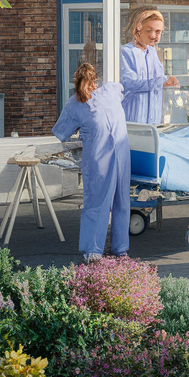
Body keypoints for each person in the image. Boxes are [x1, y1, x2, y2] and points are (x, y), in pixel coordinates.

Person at [52, 63, 130, 263]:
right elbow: (61, 133)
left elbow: (123, 90)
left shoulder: (111, 91)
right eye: (87, 82)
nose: (92, 85)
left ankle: (120, 249)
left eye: (93, 81)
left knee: (121, 201)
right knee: (96, 202)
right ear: (80, 83)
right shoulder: (74, 105)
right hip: (97, 160)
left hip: (120, 153)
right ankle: (92, 250)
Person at [120, 7, 179, 124]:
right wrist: (160, 82)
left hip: (154, 120)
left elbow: (156, 78)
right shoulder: (125, 52)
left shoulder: (152, 52)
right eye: (149, 30)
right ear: (138, 28)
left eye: (158, 32)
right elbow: (129, 83)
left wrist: (168, 81)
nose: (154, 36)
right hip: (133, 119)